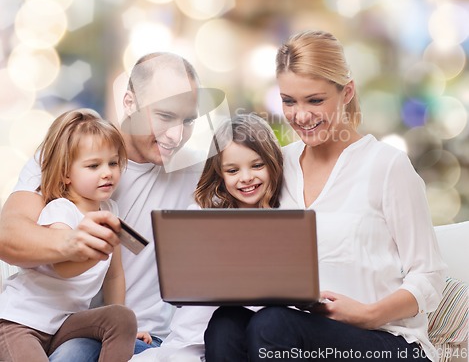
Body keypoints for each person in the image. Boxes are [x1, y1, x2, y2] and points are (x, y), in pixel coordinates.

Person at [204, 30, 447, 362]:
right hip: (301, 333)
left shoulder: (387, 166)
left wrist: (370, 314)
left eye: (315, 100)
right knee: (226, 323)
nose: (301, 116)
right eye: (289, 101)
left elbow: (430, 276)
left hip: (387, 343)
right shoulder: (279, 164)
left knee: (272, 324)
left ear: (346, 92)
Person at [0, 53, 213, 361]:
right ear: (129, 102)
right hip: (62, 329)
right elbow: (8, 236)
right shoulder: (70, 153)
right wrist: (71, 243)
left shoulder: (201, 173)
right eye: (165, 116)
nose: (176, 135)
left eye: (189, 120)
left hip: (145, 338)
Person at [135, 113, 283, 361]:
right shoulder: (201, 216)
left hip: (243, 341)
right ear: (221, 175)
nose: (246, 178)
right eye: (233, 170)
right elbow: (180, 286)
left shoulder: (284, 220)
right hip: (188, 342)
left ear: (272, 163)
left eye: (257, 166)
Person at [0, 108, 140, 362]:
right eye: (93, 165)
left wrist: (129, 329)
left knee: (122, 317)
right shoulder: (60, 209)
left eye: (113, 163)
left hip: (62, 324)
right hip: (21, 323)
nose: (107, 172)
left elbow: (115, 274)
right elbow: (64, 267)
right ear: (66, 173)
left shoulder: (111, 210)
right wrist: (98, 249)